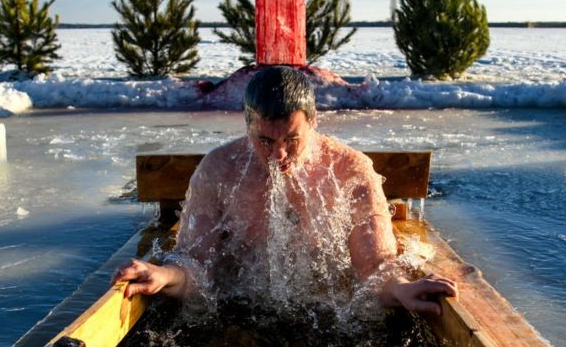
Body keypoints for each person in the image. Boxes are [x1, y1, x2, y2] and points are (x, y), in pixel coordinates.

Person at [113, 66, 456, 316]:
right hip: (242, 306)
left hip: (324, 306)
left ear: (313, 122)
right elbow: (196, 265)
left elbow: (376, 266)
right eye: (264, 140)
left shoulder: (349, 170)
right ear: (247, 126)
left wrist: (399, 287)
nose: (278, 155)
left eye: (292, 140)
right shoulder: (219, 169)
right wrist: (166, 275)